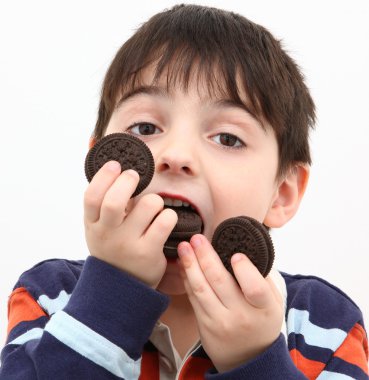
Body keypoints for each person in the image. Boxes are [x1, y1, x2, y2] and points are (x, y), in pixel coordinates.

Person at [1, 4, 368, 379]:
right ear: (98, 161)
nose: (176, 156)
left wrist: (254, 361)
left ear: (282, 194)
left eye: (227, 138)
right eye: (145, 128)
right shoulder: (50, 298)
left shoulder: (326, 327)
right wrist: (111, 295)